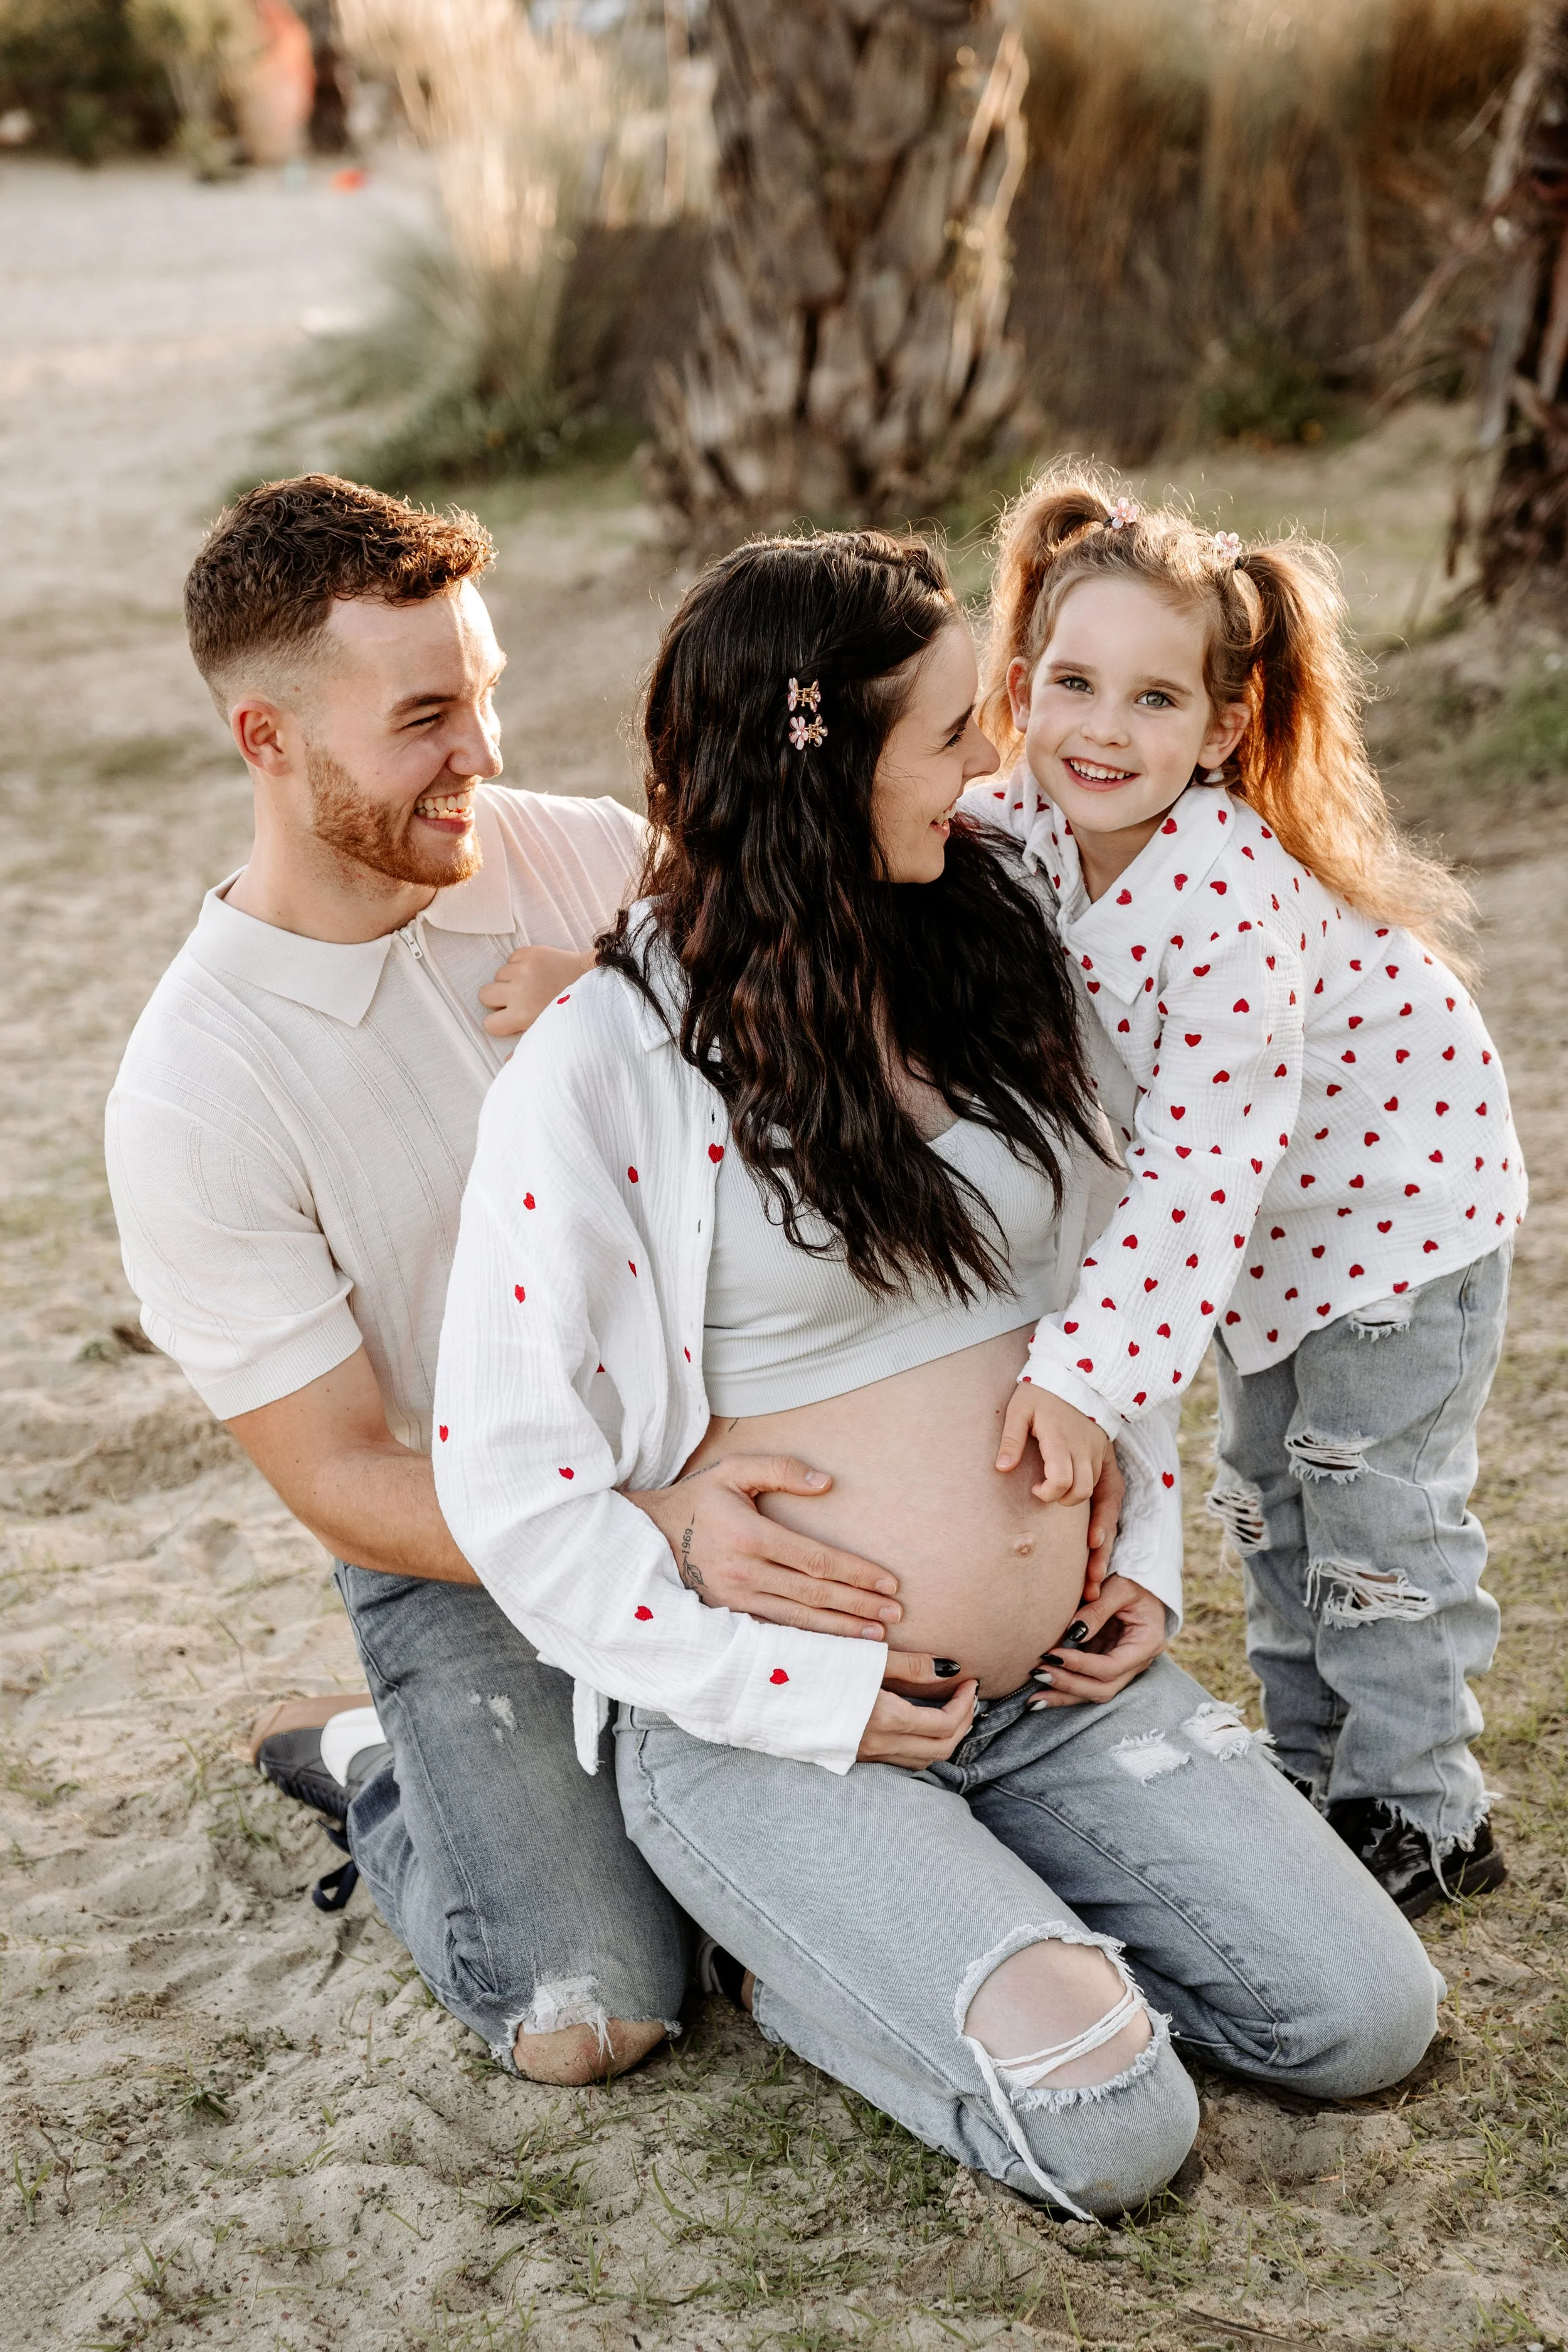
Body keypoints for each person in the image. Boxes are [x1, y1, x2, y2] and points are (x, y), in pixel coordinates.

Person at [432, 529, 1440, 2218]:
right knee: (1112, 2122)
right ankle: (825, 1954)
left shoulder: (996, 939)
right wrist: (790, 1677)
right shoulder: (607, 1058)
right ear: (812, 766)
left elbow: (1121, 1271)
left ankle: (964, 1913)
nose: (999, 763)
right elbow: (508, 1473)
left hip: (1049, 1696)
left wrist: (1125, 1557)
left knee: (1364, 2016)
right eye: (954, 732)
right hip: (777, 1723)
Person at [105, 474, 921, 2087]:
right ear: (267, 738)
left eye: (479, 691)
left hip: (740, 1451)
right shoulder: (194, 1091)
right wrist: (636, 1529)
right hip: (467, 1540)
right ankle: (376, 1765)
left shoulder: (588, 861)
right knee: (592, 2012)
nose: (481, 750)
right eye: (423, 716)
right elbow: (344, 1482)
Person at [977, 471, 1526, 1919]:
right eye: (1076, 685)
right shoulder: (1018, 827)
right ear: (1022, 686)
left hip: (1396, 1216)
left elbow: (1199, 1170)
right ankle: (1308, 1770)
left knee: (1370, 1508)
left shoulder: (1222, 895)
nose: (1103, 729)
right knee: (1264, 1501)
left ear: (1223, 729)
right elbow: (848, 866)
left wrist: (1090, 1377)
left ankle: (1422, 1809)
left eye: (1154, 701)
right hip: (1277, 1239)